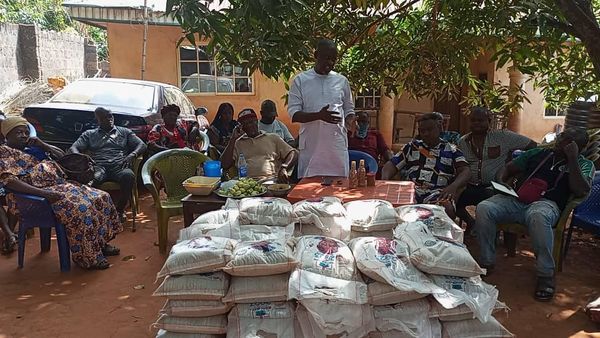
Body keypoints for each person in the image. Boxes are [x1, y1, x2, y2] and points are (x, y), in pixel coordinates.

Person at [476, 128, 594, 301]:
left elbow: (580, 190)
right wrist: (502, 182)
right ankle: (486, 261)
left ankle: (545, 275)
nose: (560, 140)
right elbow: (508, 168)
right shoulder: (538, 153)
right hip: (518, 200)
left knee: (538, 215)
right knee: (484, 207)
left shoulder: (583, 164)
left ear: (578, 147)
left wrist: (573, 159)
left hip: (547, 205)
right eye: (561, 136)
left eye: (567, 140)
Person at [0, 117, 122, 269]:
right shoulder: (4, 153)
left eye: (26, 132)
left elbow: (63, 157)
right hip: (37, 198)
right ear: (7, 135)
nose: (24, 136)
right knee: (81, 209)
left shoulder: (32, 149)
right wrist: (44, 194)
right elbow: (9, 181)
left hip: (59, 186)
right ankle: (88, 257)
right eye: (19, 133)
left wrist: (43, 145)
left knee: (101, 198)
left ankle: (100, 244)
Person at [456, 106, 536, 233]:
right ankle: (471, 223)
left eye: (481, 120)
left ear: (489, 121)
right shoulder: (462, 141)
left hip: (495, 186)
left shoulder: (503, 137)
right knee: (452, 200)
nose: (477, 123)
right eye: (473, 120)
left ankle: (491, 233)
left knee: (490, 202)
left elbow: (533, 146)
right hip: (470, 185)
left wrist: (518, 169)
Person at [382, 113, 471, 218]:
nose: (426, 133)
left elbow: (466, 171)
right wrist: (385, 181)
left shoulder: (451, 150)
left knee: (446, 209)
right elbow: (391, 164)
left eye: (429, 129)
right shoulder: (412, 147)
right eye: (422, 131)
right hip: (410, 190)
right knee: (390, 209)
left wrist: (453, 186)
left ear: (439, 128)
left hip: (437, 192)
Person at [288, 39, 354, 179]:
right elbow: (294, 114)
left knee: (339, 191)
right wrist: (319, 116)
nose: (330, 62)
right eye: (326, 58)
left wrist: (350, 122)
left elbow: (349, 109)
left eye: (333, 59)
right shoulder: (300, 80)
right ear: (316, 55)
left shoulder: (342, 81)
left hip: (336, 147)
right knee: (308, 193)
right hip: (312, 149)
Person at [70, 107, 147, 222]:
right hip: (99, 166)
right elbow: (73, 148)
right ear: (98, 120)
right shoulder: (90, 134)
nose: (109, 119)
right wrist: (82, 158)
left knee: (128, 176)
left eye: (110, 116)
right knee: (91, 179)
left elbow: (142, 145)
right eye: (104, 117)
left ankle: (120, 209)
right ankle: (96, 210)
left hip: (119, 166)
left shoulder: (124, 132)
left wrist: (132, 155)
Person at [221, 108, 298, 183]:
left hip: (271, 181)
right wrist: (232, 139)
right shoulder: (237, 143)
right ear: (241, 127)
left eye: (251, 122)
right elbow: (224, 164)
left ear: (257, 122)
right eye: (245, 124)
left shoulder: (272, 138)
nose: (249, 126)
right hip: (245, 183)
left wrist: (284, 167)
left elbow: (293, 153)